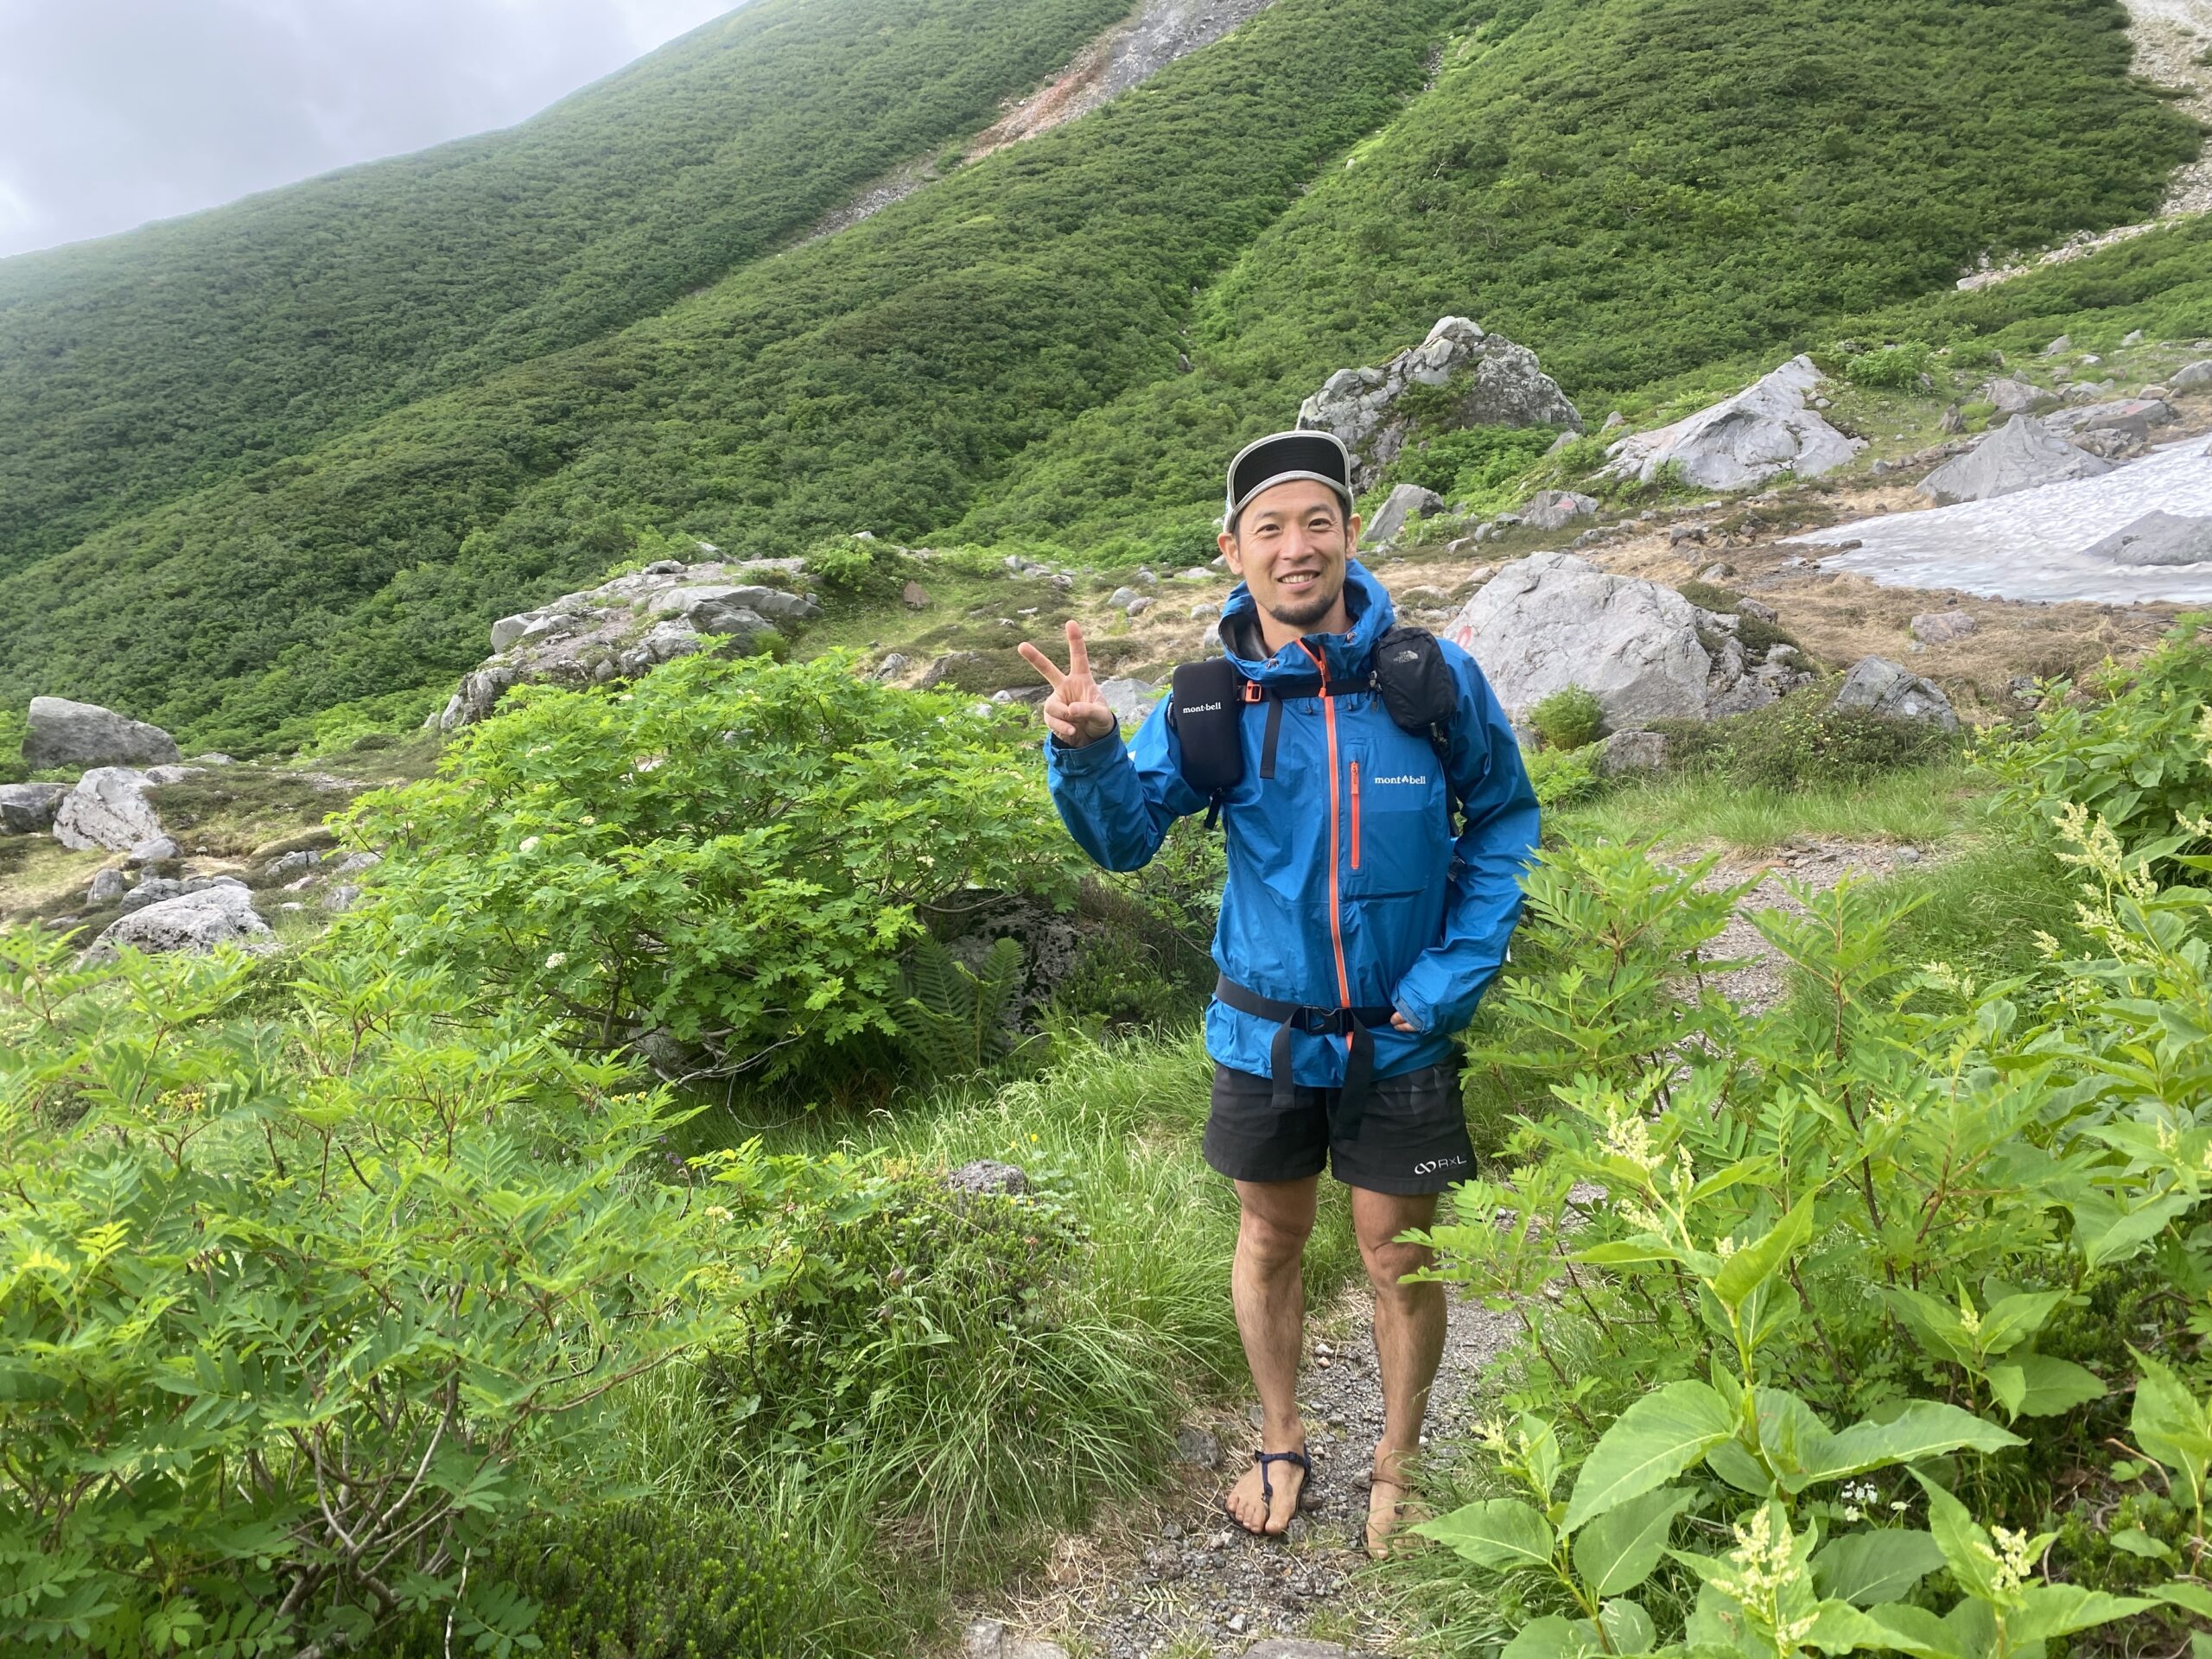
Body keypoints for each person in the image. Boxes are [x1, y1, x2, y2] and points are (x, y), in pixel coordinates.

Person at [1018, 429, 1540, 1557]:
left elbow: (1504, 821)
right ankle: (1280, 1436)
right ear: (1233, 549)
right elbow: (1123, 842)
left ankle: (1401, 1463)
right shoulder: (1211, 702)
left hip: (1405, 1029)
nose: (1296, 547)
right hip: (1264, 1032)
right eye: (1270, 527)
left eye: (1317, 522)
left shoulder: (1432, 681)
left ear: (1350, 534)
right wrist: (1091, 751)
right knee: (1269, 1236)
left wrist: (1450, 979)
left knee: (1399, 1256)